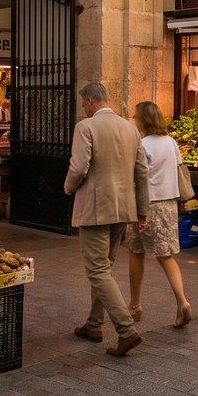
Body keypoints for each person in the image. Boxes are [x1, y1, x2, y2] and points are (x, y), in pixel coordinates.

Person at [64, 82, 150, 358]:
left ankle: (126, 330)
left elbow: (78, 167)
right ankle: (93, 325)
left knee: (98, 271)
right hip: (122, 210)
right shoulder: (130, 129)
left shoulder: (85, 127)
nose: (84, 108)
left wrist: (67, 187)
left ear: (90, 100)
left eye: (84, 104)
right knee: (106, 268)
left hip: (95, 209)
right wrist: (142, 210)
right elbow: (141, 173)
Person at [126, 101, 194, 329]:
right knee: (167, 255)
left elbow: (137, 177)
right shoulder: (172, 142)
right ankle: (182, 302)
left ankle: (135, 305)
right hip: (169, 205)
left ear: (142, 120)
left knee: (136, 251)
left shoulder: (141, 144)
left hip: (147, 205)